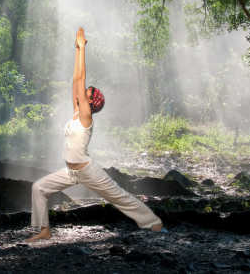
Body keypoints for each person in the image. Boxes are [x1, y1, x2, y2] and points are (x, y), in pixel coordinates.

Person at [26, 27, 163, 242]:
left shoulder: (86, 116)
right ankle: (44, 230)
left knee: (118, 197)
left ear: (90, 103)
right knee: (39, 188)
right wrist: (77, 50)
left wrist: (82, 49)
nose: (82, 93)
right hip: (71, 171)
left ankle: (153, 223)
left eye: (87, 94)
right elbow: (76, 81)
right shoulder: (76, 111)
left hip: (88, 171)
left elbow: (81, 81)